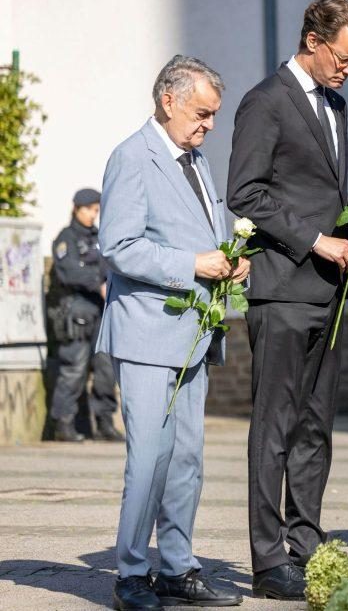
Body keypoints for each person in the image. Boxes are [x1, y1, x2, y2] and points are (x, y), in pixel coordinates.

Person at [226, 0, 348, 600]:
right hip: (283, 288)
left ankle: (305, 544)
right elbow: (246, 192)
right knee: (276, 425)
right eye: (345, 58)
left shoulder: (335, 103)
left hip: (329, 290)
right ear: (314, 41)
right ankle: (268, 561)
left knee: (316, 426)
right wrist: (315, 238)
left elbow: (317, 189)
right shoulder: (265, 101)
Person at [97, 55, 245, 610]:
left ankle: (177, 567)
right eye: (202, 113)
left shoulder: (196, 159)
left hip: (193, 333)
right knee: (150, 457)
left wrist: (230, 259)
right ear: (169, 100)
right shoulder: (132, 157)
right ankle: (131, 574)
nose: (209, 124)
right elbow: (118, 246)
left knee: (187, 458)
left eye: (213, 115)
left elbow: (202, 232)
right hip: (146, 333)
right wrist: (195, 265)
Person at [47, 187, 121, 443]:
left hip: (101, 313)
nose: (93, 214)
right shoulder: (65, 239)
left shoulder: (101, 238)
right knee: (74, 370)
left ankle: (105, 424)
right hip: (76, 313)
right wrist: (96, 282)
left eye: (97, 210)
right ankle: (63, 425)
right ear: (77, 208)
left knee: (106, 370)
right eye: (90, 209)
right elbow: (68, 272)